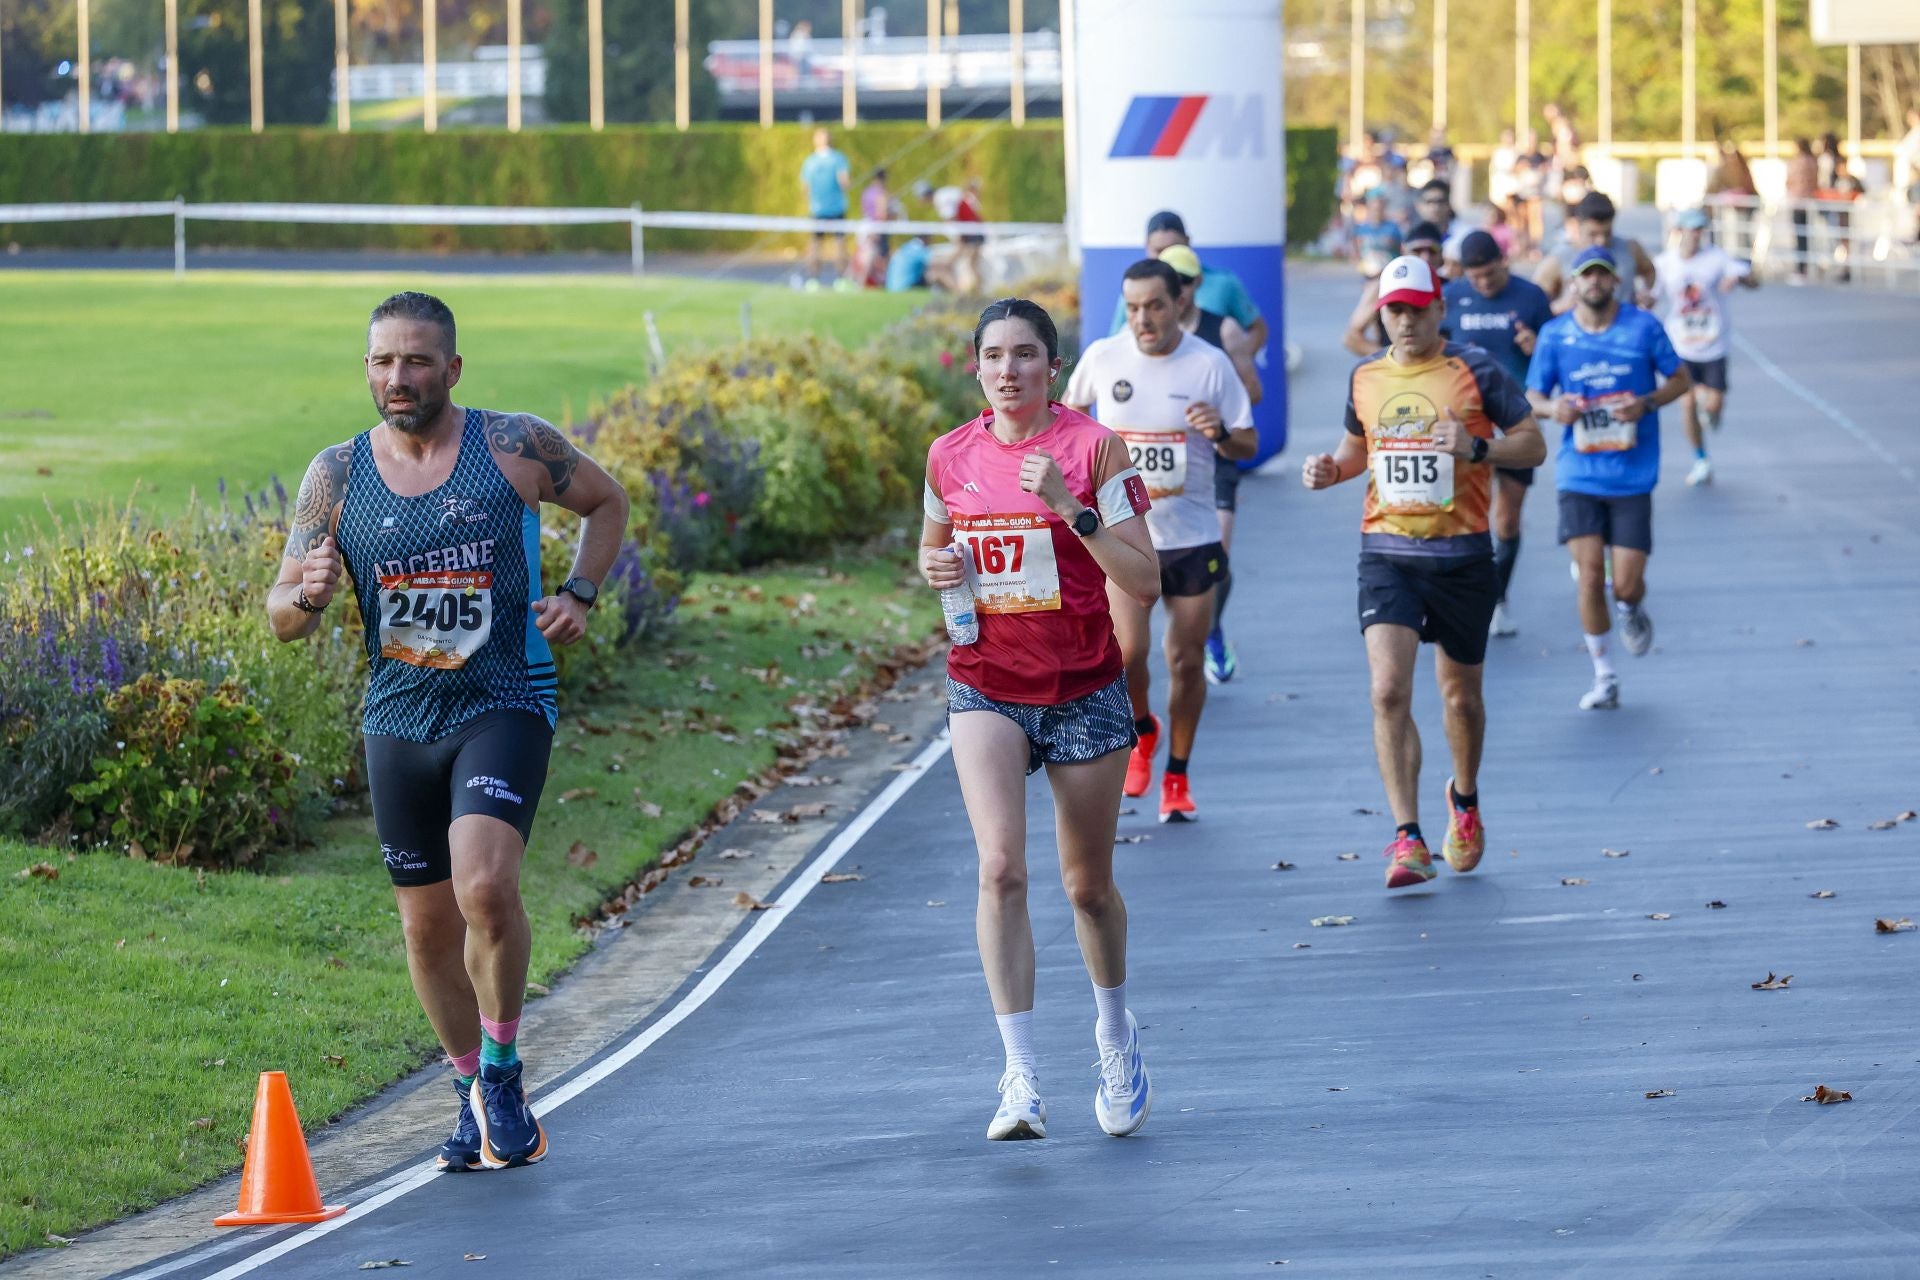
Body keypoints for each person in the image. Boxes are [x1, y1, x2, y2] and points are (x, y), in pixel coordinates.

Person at [267, 292, 630, 1170]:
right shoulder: (336, 476)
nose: (400, 377)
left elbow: (607, 502)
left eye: (418, 360)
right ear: (367, 370)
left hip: (503, 699)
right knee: (427, 930)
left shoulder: (513, 446)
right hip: (398, 717)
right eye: (384, 361)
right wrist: (310, 593)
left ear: (452, 369)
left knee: (484, 887)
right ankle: (468, 1087)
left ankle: (502, 1070)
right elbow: (281, 613)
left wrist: (579, 592)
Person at [919, 297, 1161, 1141]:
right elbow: (934, 547)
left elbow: (1146, 581)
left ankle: (1116, 1034)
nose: (1009, 369)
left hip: (1084, 684)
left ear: (1051, 368)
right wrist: (936, 566)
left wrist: (1073, 505)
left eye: (1026, 355)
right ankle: (1020, 1074)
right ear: (976, 366)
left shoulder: (1095, 447)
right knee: (999, 871)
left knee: (1086, 889)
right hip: (984, 679)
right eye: (994, 355)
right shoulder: (950, 454)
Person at [1301, 255, 1546, 889]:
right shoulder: (1365, 377)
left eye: (1417, 308)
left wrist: (1478, 447)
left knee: (1460, 698)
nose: (1405, 321)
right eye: (1394, 310)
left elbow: (1534, 442)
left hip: (1462, 556)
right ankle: (1406, 837)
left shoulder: (1475, 370)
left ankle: (1463, 800)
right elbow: (1356, 452)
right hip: (1387, 556)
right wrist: (1331, 471)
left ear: (1440, 309)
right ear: (1381, 314)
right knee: (1387, 691)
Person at [1068, 259, 1256, 823]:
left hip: (1194, 537)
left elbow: (1246, 442)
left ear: (1179, 303)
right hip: (1127, 540)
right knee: (1127, 654)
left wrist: (1220, 433)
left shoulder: (1209, 364)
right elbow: (1068, 420)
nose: (1142, 319)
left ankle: (1177, 772)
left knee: (1186, 660)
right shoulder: (1104, 357)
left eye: (1153, 306)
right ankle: (1143, 728)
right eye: (1132, 307)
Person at [1526, 248, 1691, 711]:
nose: (1594, 283)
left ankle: (1631, 607)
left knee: (1625, 583)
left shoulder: (1643, 327)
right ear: (1573, 285)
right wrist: (1551, 408)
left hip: (1633, 475)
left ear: (1615, 281)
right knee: (1589, 577)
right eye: (1585, 276)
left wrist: (1647, 403)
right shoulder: (1555, 335)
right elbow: (1533, 393)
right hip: (1578, 473)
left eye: (1602, 275)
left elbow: (1681, 380)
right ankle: (1605, 674)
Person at [1158, 243, 1263, 686]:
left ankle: (1212, 629)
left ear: (1197, 284)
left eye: (1184, 281)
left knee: (1215, 552)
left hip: (1213, 454)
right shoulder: (1141, 332)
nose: (1178, 290)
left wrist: (1217, 417)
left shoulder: (1225, 333)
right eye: (1171, 282)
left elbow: (1252, 393)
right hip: (1161, 462)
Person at [1443, 230, 1554, 637]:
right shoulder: (1451, 296)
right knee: (1460, 511)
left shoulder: (1532, 297)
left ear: (1503, 262)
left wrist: (1537, 346)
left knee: (1506, 518)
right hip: (1466, 415)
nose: (1484, 284)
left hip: (1514, 416)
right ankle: (1459, 593)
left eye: (1490, 275)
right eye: (1476, 277)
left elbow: (1555, 352)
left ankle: (1497, 599)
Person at [1654, 208, 1757, 486]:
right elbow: (1651, 294)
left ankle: (1710, 410)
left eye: (1701, 229)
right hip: (1681, 345)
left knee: (1712, 406)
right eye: (1692, 229)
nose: (1697, 235)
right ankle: (1700, 458)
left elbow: (1749, 276)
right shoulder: (1666, 263)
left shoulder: (1716, 258)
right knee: (1686, 403)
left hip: (1713, 346)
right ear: (1680, 232)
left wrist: (1739, 279)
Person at [1108, 210, 1269, 362]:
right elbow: (1116, 346)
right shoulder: (1136, 290)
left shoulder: (1223, 284)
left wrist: (1233, 364)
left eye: (1186, 281)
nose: (1168, 258)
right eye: (1159, 251)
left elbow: (1257, 329)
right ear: (1147, 247)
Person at [1534, 191, 1656, 313]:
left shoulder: (1630, 249)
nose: (1601, 241)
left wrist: (1646, 291)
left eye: (1607, 233)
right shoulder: (1559, 258)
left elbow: (1649, 271)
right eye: (1593, 234)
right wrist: (1559, 306)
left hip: (1626, 327)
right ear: (1578, 226)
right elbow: (1535, 303)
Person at [1344, 221, 1444, 357]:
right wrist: (1394, 363)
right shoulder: (1384, 286)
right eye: (1417, 251)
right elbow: (1352, 338)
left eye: (1432, 251)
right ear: (1404, 251)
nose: (1425, 257)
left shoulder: (1453, 287)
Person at [799, 127, 851, 282]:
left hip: (822, 209)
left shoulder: (811, 161)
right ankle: (839, 279)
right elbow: (845, 182)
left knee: (818, 244)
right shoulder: (837, 159)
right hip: (833, 208)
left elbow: (804, 188)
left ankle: (814, 279)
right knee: (838, 244)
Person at [855, 167, 893, 288]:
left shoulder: (866, 192)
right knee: (877, 256)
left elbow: (864, 212)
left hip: (865, 227)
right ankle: (873, 282)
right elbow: (882, 215)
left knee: (867, 254)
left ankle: (859, 281)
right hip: (877, 229)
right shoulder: (881, 194)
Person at [1786, 138, 1818, 280]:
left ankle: (1801, 267)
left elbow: (1790, 180)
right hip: (1809, 199)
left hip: (1798, 200)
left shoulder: (1798, 162)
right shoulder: (1812, 161)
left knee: (1800, 235)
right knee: (1806, 235)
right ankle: (1806, 265)